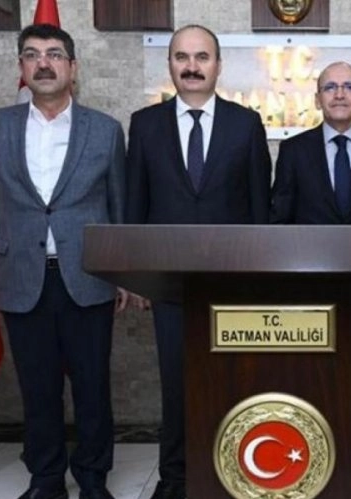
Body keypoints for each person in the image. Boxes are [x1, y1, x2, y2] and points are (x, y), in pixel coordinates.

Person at [0, 24, 128, 499]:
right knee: (37, 388)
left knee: (92, 386)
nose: (43, 63)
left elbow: (119, 209)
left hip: (88, 277)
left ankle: (93, 478)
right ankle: (45, 479)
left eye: (55, 54)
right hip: (20, 278)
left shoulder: (105, 129)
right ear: (21, 66)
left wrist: (125, 275)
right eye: (32, 54)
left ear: (72, 68)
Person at [125, 24, 272, 499]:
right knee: (175, 384)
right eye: (182, 57)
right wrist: (136, 277)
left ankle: (230, 473)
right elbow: (135, 205)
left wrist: (259, 281)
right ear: (169, 64)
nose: (192, 66)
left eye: (202, 57)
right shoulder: (144, 125)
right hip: (168, 285)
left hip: (233, 284)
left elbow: (260, 210)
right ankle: (175, 477)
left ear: (218, 65)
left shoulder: (246, 124)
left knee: (231, 383)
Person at [270, 61, 351, 499]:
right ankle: (307, 473)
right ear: (317, 98)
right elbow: (279, 220)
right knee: (309, 387)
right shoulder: (294, 151)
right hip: (306, 296)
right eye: (330, 87)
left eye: (349, 87)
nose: (340, 94)